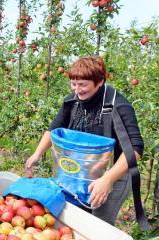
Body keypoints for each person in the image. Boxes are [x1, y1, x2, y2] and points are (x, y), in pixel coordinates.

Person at [24, 56, 143, 225]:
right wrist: (36, 155)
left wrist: (107, 180)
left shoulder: (118, 106)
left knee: (96, 225)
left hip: (114, 175)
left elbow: (135, 148)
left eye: (83, 85)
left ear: (100, 81)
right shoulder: (72, 102)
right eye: (73, 83)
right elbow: (53, 129)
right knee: (73, 220)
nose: (77, 90)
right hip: (80, 173)